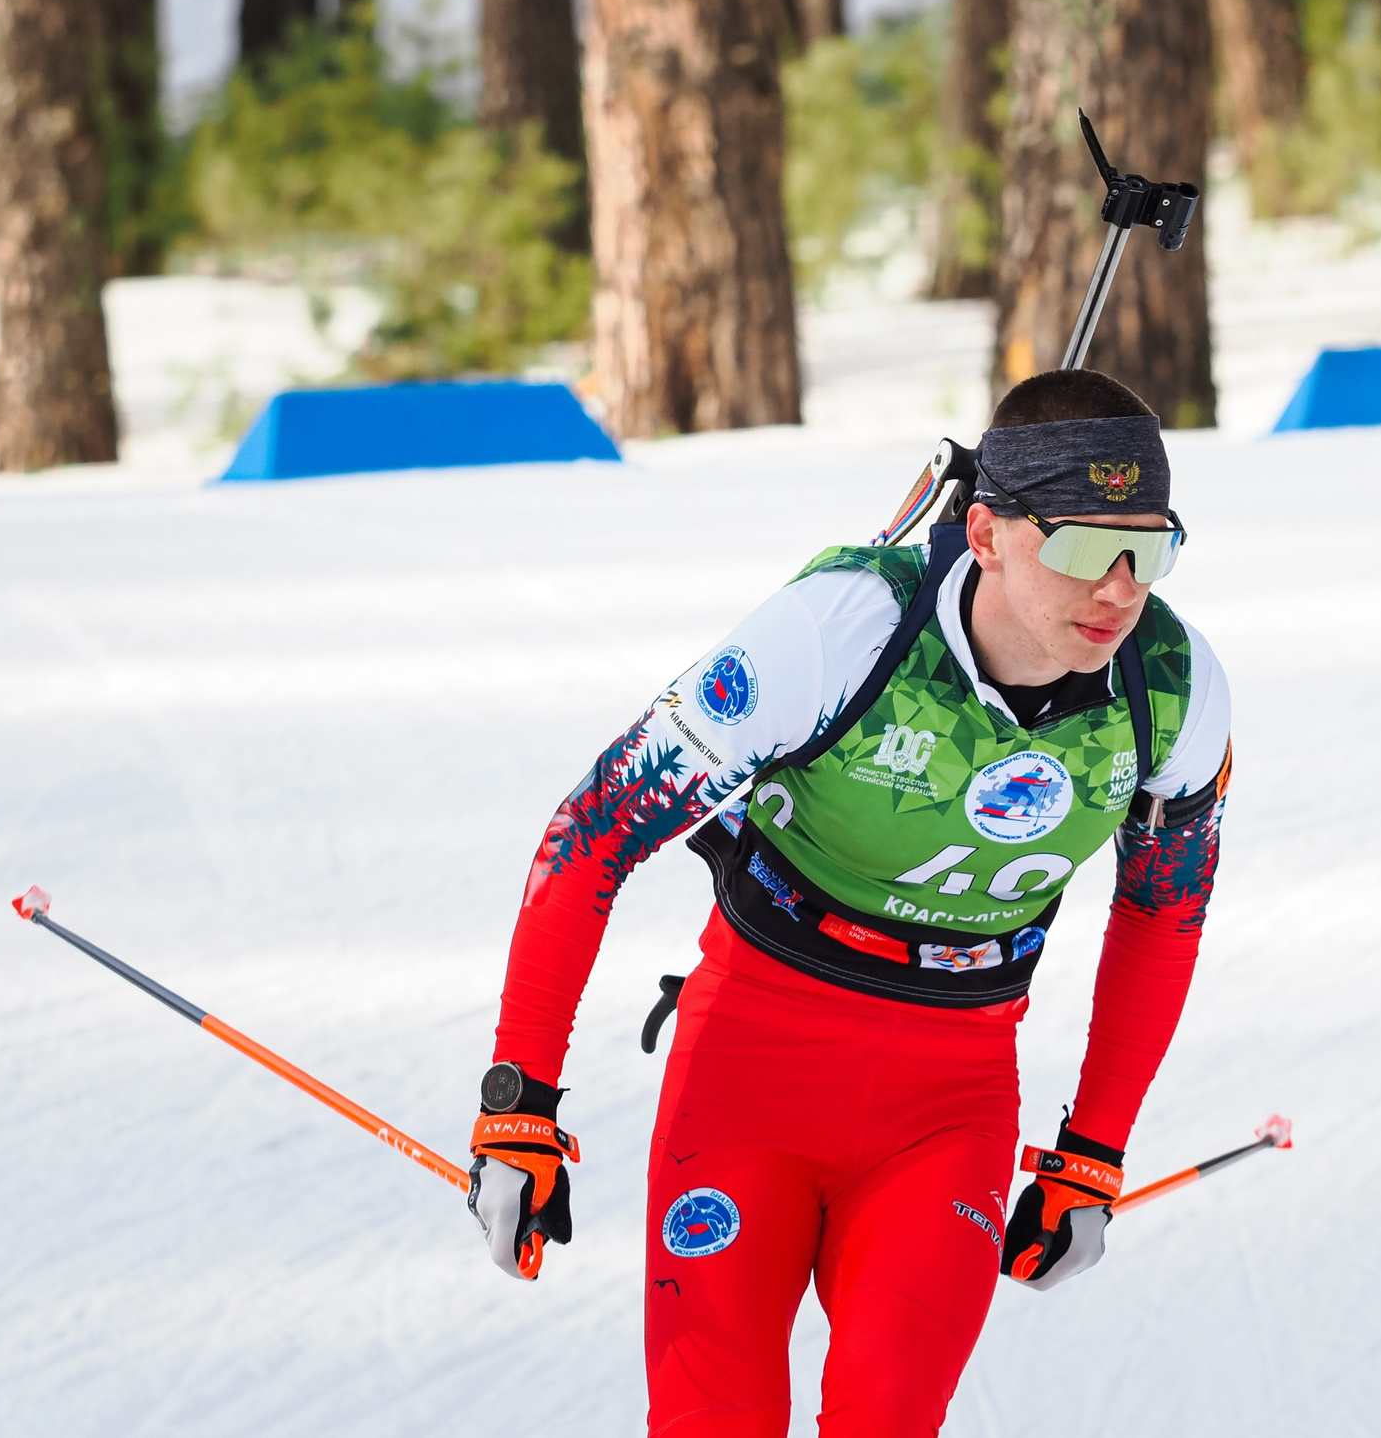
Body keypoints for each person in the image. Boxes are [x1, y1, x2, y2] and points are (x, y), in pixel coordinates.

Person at [466, 369, 1234, 1436]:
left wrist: (1092, 1155)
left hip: (949, 1104)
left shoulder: (1170, 689)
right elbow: (595, 827)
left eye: (1146, 550)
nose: (1117, 588)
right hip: (750, 1074)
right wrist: (519, 1102)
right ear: (987, 531)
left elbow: (1163, 919)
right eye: (1078, 548)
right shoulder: (844, 627)